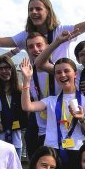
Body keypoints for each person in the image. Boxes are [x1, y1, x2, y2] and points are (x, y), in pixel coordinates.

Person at [20, 57, 85, 169]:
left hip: (75, 151)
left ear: (75, 73)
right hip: (52, 151)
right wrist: (26, 80)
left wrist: (83, 119)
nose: (62, 75)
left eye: (66, 71)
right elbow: (27, 106)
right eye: (58, 72)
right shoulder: (50, 101)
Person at [23, 32, 55, 160]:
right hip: (40, 129)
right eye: (31, 47)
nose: (35, 49)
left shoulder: (58, 70)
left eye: (39, 45)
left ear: (47, 46)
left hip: (59, 129)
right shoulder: (29, 73)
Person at [0, 54, 26, 153]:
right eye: (0, 68)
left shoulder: (20, 90)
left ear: (12, 69)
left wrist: (27, 78)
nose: (4, 71)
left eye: (7, 68)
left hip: (16, 142)